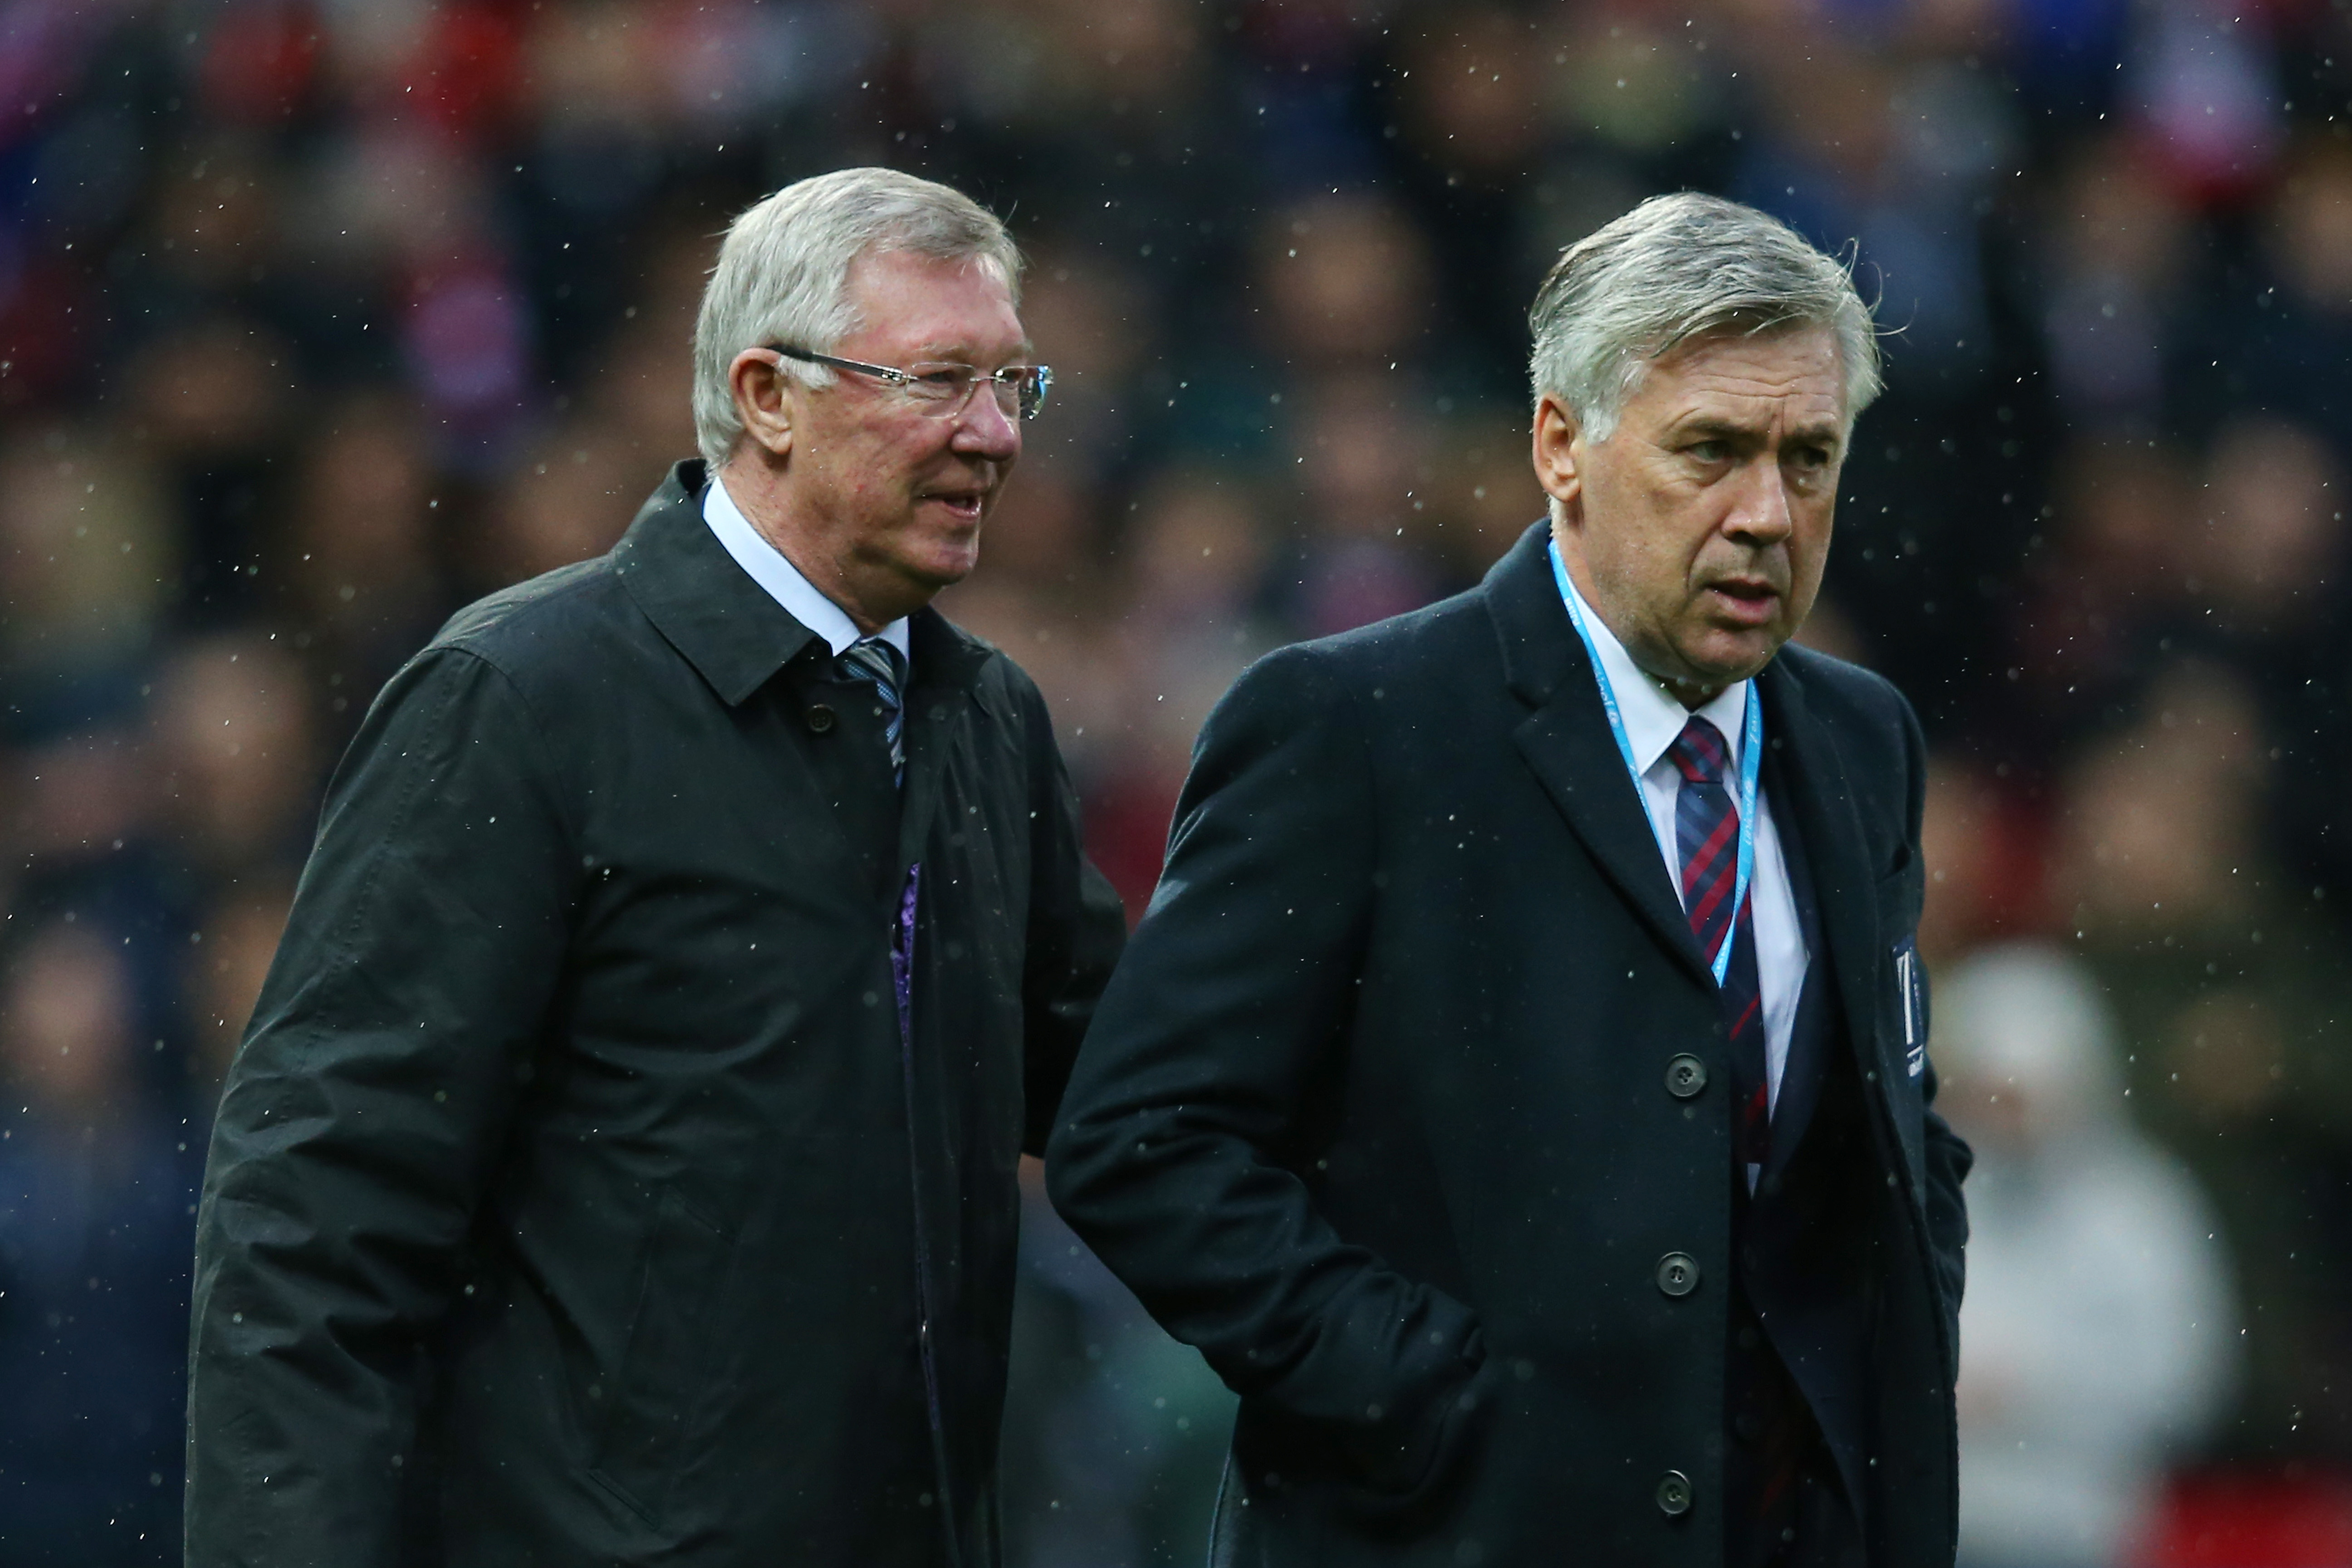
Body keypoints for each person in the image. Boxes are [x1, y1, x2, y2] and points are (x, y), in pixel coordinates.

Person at [185, 167, 1126, 1568]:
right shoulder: (522, 702)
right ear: (766, 397)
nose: (993, 434)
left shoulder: (984, 721)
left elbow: (1135, 1099)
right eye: (939, 381)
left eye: (1014, 385)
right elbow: (316, 1221)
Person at [1047, 191, 1972, 1568]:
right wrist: (1425, 1389)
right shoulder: (1354, 723)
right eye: (1710, 451)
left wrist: (1893, 1352)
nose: (1769, 514)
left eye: (1809, 457)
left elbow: (1892, 1127)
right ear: (1561, 446)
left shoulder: (1859, 737)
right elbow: (1141, 1145)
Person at [1935, 943, 2234, 1568]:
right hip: (1940, 1528)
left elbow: (2186, 1382)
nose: (2003, 1119)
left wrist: (2026, 1391)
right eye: (1986, 1093)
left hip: (2080, 1527)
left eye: (2019, 1098)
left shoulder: (2140, 1210)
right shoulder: (1934, 1199)